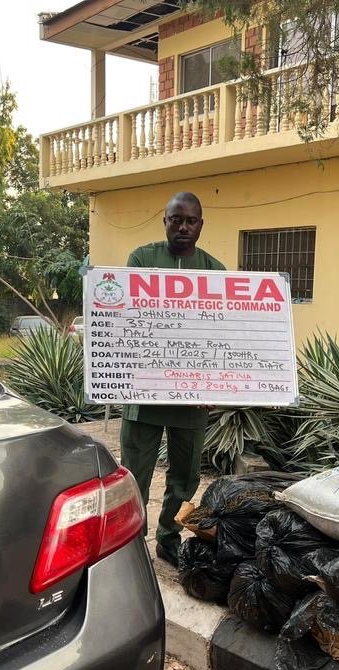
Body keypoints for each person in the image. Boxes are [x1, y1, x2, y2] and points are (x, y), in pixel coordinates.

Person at [122, 191, 226, 566]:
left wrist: (215, 383)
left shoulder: (215, 271)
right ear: (164, 221)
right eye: (175, 219)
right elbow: (126, 319)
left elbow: (222, 335)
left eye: (191, 220)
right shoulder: (142, 259)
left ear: (201, 224)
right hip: (144, 399)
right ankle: (130, 543)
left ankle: (168, 538)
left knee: (185, 479)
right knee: (135, 478)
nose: (183, 226)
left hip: (191, 401)